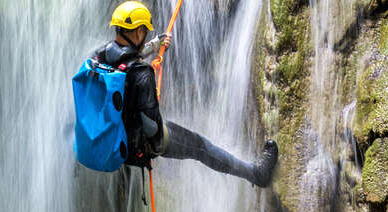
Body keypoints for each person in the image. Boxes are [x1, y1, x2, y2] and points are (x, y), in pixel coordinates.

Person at [93, 1, 278, 187]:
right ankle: (257, 175)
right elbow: (152, 129)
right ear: (139, 32)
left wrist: (152, 47)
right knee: (200, 147)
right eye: (144, 31)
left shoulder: (99, 57)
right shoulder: (142, 74)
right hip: (138, 146)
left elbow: (124, 61)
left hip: (112, 137)